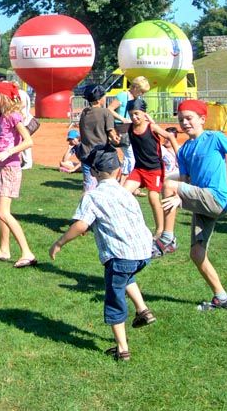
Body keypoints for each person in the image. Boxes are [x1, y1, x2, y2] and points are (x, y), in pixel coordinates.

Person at [49, 149, 155, 361]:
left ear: (94, 172)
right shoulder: (127, 192)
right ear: (118, 170)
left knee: (114, 299)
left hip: (120, 255)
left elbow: (80, 225)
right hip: (143, 252)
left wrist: (59, 243)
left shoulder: (93, 196)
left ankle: (122, 349)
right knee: (126, 274)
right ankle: (143, 310)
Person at [161, 99, 227, 311]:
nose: (185, 123)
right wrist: (182, 197)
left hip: (216, 198)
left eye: (189, 118)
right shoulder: (184, 150)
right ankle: (221, 298)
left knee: (169, 184)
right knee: (197, 254)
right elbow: (188, 182)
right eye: (181, 119)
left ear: (202, 119)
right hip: (202, 200)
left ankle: (167, 238)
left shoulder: (215, 137)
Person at [0, 81, 36, 268]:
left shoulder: (13, 116)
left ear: (4, 98)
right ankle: (4, 250)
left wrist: (8, 152)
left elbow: (28, 141)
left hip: (10, 168)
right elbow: (0, 140)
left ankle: (27, 252)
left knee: (3, 212)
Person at [122, 98, 180, 256]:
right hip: (139, 169)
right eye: (131, 114)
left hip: (154, 170)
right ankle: (128, 228)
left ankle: (161, 230)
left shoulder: (152, 127)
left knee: (153, 197)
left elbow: (170, 136)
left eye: (137, 114)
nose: (134, 117)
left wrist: (179, 157)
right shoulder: (129, 128)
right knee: (122, 194)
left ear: (143, 113)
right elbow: (116, 132)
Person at [78, 85, 120, 192]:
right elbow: (110, 131)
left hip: (86, 153)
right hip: (101, 156)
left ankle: (86, 206)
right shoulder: (106, 112)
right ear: (99, 99)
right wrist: (116, 138)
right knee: (105, 186)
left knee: (88, 186)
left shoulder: (84, 112)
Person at [108, 76, 151, 177]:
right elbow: (109, 109)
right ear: (135, 87)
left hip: (132, 129)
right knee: (130, 155)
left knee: (131, 154)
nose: (142, 94)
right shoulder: (122, 96)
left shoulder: (138, 99)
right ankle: (126, 178)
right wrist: (122, 119)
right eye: (141, 91)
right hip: (122, 129)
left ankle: (125, 178)